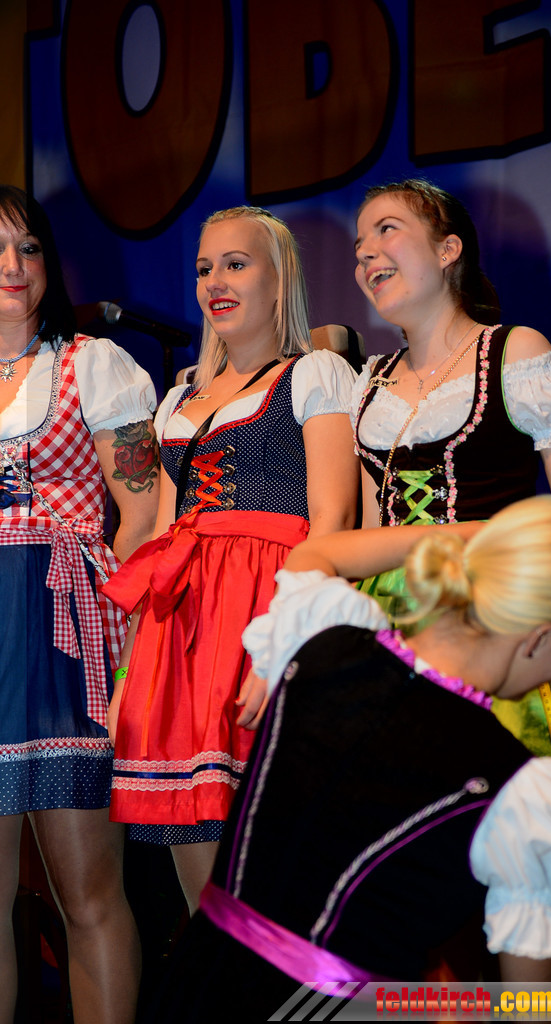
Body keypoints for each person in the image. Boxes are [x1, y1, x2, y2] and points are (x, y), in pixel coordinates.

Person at [144, 495, 551, 1020]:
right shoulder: (515, 788)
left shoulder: (322, 640)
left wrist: (486, 539)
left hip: (195, 985)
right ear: (540, 638)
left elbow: (321, 554)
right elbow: (532, 1009)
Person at [350, 179, 551, 846]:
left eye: (386, 230)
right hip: (396, 635)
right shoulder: (367, 382)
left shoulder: (515, 353)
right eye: (358, 244)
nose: (366, 252)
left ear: (448, 250)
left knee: (524, 839)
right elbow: (372, 533)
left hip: (507, 617)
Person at [105, 206, 358, 915]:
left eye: (235, 265)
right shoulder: (176, 402)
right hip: (179, 633)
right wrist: (128, 674)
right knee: (204, 896)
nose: (215, 281)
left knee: (276, 875)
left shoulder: (314, 375)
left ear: (280, 279)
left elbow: (333, 522)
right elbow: (159, 539)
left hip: (265, 615)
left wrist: (279, 647)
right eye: (203, 269)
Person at [0, 186, 158, 1024]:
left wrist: (122, 631)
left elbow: (144, 513)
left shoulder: (91, 363)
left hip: (64, 638)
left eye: (28, 247)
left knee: (88, 892)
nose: (13, 266)